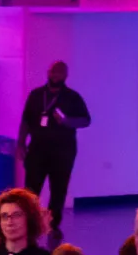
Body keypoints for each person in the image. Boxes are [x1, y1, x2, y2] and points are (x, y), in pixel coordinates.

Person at [19, 61, 92, 235]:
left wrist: (67, 121)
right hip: (37, 149)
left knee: (59, 188)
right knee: (31, 188)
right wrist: (20, 143)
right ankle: (29, 223)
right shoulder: (36, 95)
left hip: (63, 151)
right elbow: (26, 121)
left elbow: (86, 120)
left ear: (66, 75)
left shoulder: (73, 97)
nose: (55, 75)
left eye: (59, 73)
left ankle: (54, 224)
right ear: (48, 72)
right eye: (53, 72)